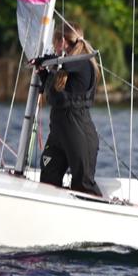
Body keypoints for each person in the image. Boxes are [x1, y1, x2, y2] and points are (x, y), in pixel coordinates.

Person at [34, 25, 102, 196]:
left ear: (62, 42)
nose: (54, 48)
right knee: (48, 179)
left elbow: (68, 65)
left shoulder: (83, 63)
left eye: (54, 43)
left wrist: (48, 60)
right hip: (59, 130)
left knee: (83, 184)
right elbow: (56, 96)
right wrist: (43, 72)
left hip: (78, 129)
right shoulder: (64, 69)